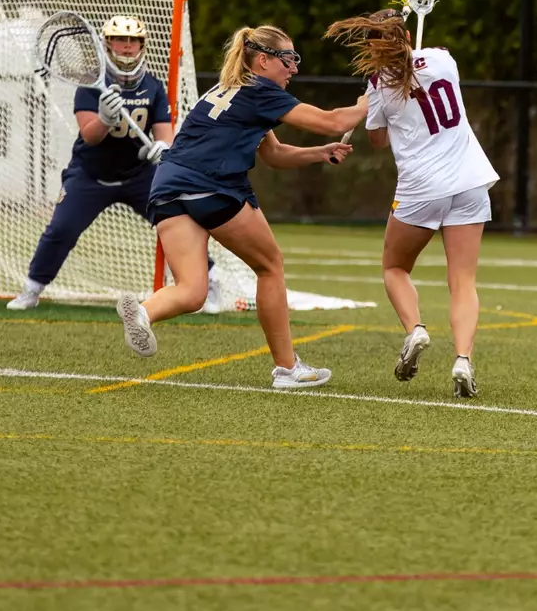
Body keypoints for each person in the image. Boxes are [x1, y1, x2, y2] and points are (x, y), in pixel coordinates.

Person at [117, 24, 365, 390]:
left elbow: (275, 154)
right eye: (288, 59)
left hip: (168, 186)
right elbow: (334, 121)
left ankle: (142, 311)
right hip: (211, 186)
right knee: (270, 266)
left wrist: (320, 153)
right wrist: (372, 98)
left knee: (192, 291)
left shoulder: (227, 90)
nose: (294, 68)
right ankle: (286, 369)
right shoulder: (262, 91)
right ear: (263, 60)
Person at [325, 9, 499, 397]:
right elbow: (423, 64)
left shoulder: (378, 84)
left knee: (395, 267)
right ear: (404, 33)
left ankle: (415, 330)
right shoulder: (444, 59)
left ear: (372, 46)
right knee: (462, 281)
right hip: (470, 181)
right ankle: (463, 360)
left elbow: (378, 141)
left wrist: (372, 100)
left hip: (422, 187)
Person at [8, 15, 176, 310]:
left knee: (175, 221)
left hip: (138, 175)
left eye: (132, 41)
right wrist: (106, 119)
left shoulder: (153, 86)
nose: (126, 47)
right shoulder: (90, 85)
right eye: (120, 40)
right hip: (90, 174)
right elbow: (90, 135)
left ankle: (206, 281)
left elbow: (165, 134)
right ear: (106, 44)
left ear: (142, 45)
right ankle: (31, 289)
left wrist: (162, 147)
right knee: (61, 230)